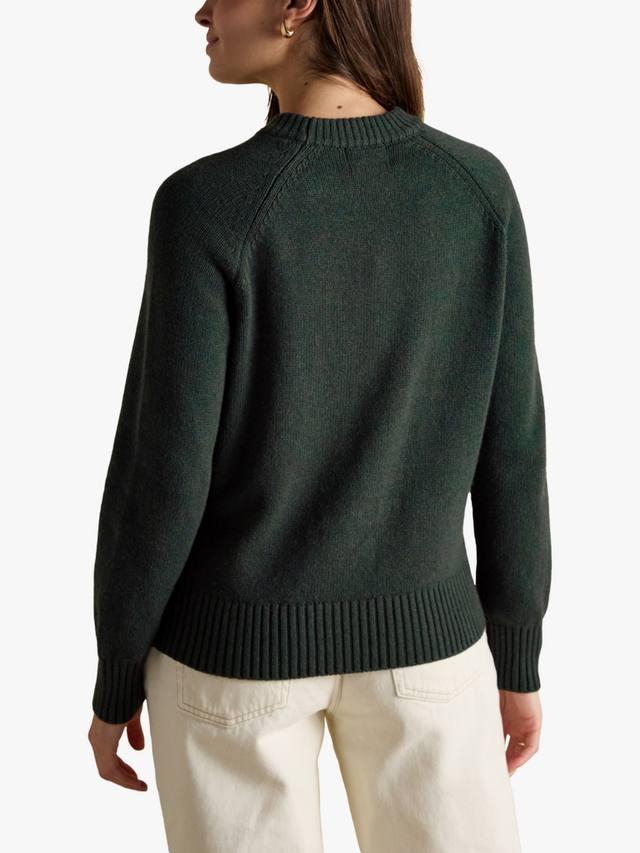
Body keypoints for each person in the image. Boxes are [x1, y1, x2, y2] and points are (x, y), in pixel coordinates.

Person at [87, 1, 552, 851]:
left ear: (299, 5)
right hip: (429, 652)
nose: (201, 10)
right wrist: (517, 654)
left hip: (230, 657)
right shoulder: (475, 190)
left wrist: (117, 669)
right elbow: (513, 448)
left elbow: (164, 471)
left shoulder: (207, 204)